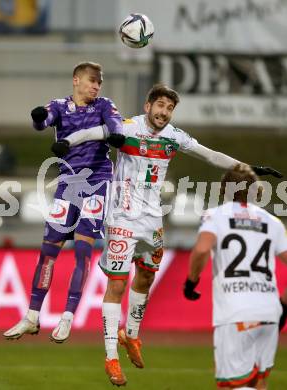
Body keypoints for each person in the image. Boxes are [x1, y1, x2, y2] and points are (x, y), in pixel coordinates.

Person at [52, 84, 282, 386]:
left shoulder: (174, 137)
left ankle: (131, 335)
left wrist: (248, 168)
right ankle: (110, 356)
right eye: (160, 105)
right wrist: (68, 141)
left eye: (169, 108)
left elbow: (209, 155)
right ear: (148, 106)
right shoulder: (128, 128)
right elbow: (96, 132)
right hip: (122, 218)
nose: (164, 112)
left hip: (152, 221)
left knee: (146, 276)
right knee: (117, 284)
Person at [3, 61, 125, 343]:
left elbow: (116, 124)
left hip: (97, 182)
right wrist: (36, 117)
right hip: (68, 185)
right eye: (92, 81)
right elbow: (42, 120)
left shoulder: (104, 105)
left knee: (83, 251)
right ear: (76, 80)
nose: (97, 86)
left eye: (99, 82)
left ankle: (67, 317)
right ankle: (32, 316)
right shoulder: (59, 105)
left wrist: (116, 134)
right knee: (48, 252)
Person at [183, 164, 287, 390]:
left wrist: (191, 281)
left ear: (223, 190)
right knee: (258, 382)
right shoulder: (272, 221)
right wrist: (284, 304)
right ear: (256, 191)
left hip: (236, 312)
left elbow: (202, 250)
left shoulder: (215, 215)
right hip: (269, 311)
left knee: (231, 386)